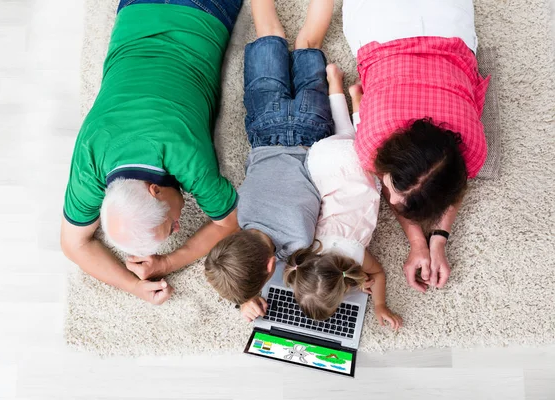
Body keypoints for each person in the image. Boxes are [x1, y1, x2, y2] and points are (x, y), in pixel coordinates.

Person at [60, 0, 244, 305]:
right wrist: (132, 285)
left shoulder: (186, 155)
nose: (178, 226)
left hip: (205, 8)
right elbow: (72, 245)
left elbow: (230, 222)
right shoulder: (90, 154)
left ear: (155, 190)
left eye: (170, 222)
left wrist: (169, 263)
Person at [342, 0, 491, 292]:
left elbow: (456, 183)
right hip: (380, 24)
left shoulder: (474, 148)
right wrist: (422, 241)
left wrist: (434, 240)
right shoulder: (371, 142)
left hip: (446, 19)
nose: (392, 202)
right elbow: (455, 184)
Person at [241, 64, 402, 330]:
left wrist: (380, 305)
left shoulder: (355, 256)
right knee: (343, 132)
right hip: (322, 160)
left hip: (356, 171)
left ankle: (353, 95)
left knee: (363, 140)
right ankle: (335, 82)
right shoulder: (306, 248)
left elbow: (379, 274)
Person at [204, 0, 334, 307]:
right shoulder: (242, 213)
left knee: (308, 43)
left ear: (269, 266)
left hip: (310, 130)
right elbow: (243, 250)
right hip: (266, 128)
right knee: (269, 34)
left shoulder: (299, 243)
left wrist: (249, 296)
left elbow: (294, 271)